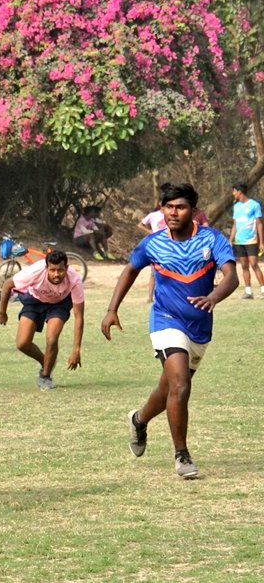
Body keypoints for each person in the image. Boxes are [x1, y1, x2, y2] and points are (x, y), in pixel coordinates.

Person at [101, 183, 237, 479]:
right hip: (165, 320)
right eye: (169, 207)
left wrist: (214, 296)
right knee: (180, 386)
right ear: (161, 208)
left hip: (200, 327)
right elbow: (130, 269)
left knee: (168, 391)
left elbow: (232, 277)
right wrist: (112, 309)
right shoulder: (153, 243)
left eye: (181, 207)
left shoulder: (212, 240)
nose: (174, 212)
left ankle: (138, 419)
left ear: (194, 210)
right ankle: (182, 455)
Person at [0, 251, 85, 390]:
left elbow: (79, 316)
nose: (56, 274)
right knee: (22, 343)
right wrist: (2, 312)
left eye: (60, 270)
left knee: (52, 338)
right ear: (46, 268)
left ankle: (45, 376)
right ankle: (46, 362)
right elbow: (8, 284)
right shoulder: (35, 271)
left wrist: (76, 350)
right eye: (52, 270)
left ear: (67, 268)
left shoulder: (74, 280)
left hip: (59, 304)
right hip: (34, 301)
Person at [227, 181, 264, 300]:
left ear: (239, 192)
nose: (233, 193)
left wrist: (261, 242)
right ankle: (248, 291)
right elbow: (235, 225)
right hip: (239, 241)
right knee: (244, 266)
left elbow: (259, 223)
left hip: (251, 240)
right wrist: (231, 239)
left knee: (254, 264)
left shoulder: (254, 205)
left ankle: (263, 289)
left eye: (234, 191)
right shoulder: (236, 206)